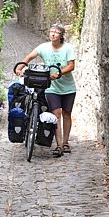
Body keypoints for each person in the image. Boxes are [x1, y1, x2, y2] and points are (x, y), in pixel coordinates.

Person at [17, 23, 76, 158]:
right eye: (51, 32)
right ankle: (59, 145)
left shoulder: (68, 48)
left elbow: (72, 66)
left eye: (56, 32)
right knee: (57, 114)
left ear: (61, 36)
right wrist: (19, 68)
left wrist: (59, 73)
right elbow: (28, 58)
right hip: (51, 87)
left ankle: (66, 142)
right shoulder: (43, 47)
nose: (52, 34)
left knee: (67, 113)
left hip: (68, 87)